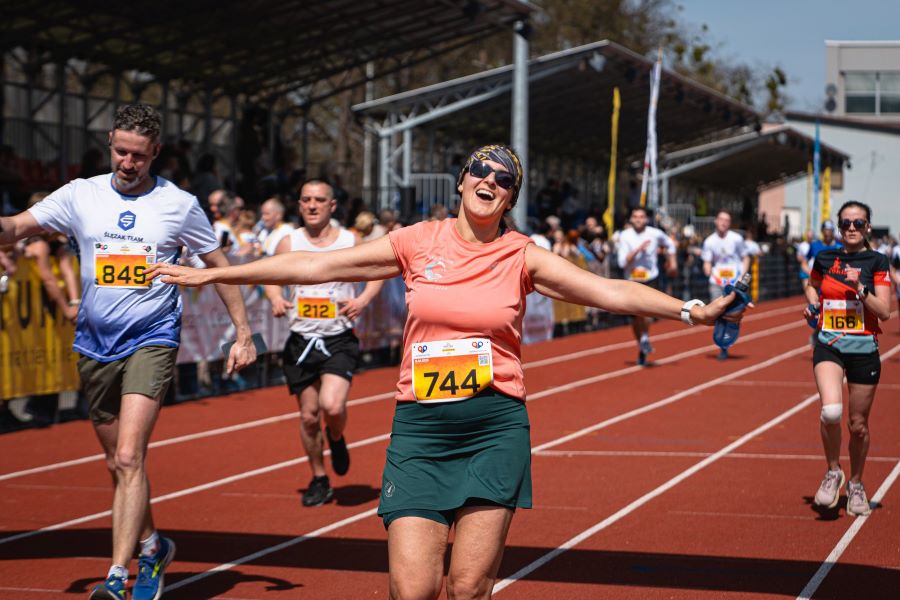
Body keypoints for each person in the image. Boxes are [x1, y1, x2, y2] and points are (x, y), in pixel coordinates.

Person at [147, 144, 745, 600]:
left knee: (465, 589)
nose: (489, 181)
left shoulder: (523, 256)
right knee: (412, 591)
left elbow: (611, 292)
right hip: (422, 431)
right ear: (462, 182)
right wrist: (213, 275)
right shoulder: (415, 242)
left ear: (510, 198)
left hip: (493, 428)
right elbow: (312, 264)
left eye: (503, 179)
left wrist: (693, 310)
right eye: (480, 172)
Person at [0, 104, 258, 600]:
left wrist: (243, 332)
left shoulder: (178, 204)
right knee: (118, 465)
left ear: (155, 153)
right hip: (95, 342)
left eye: (138, 156)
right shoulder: (81, 194)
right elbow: (15, 228)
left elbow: (217, 264)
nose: (127, 162)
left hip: (152, 336)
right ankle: (153, 544)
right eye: (120, 151)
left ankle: (119, 577)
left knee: (128, 454)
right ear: (110, 145)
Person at [264, 180, 384, 507]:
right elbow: (270, 277)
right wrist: (276, 299)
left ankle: (336, 435)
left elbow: (376, 271)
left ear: (332, 206)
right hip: (301, 338)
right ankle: (319, 477)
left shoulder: (349, 240)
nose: (312, 205)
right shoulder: (289, 242)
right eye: (306, 200)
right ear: (299, 205)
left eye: (319, 200)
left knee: (332, 406)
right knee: (307, 415)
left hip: (338, 337)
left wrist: (363, 299)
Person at [803, 201, 891, 517]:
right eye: (845, 223)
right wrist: (813, 305)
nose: (851, 228)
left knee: (858, 426)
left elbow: (885, 311)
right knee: (830, 411)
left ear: (868, 227)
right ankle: (832, 471)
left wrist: (859, 287)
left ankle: (855, 482)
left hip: (864, 350)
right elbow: (811, 286)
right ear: (839, 227)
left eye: (858, 223)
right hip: (829, 344)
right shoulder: (826, 258)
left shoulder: (877, 261)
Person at [616, 206, 678, 366]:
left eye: (641, 216)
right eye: (635, 216)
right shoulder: (625, 236)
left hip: (650, 278)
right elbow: (622, 262)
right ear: (631, 218)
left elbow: (671, 245)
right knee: (635, 317)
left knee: (647, 312)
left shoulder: (655, 233)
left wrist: (672, 262)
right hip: (631, 280)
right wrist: (637, 250)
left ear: (647, 219)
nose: (638, 219)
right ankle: (642, 342)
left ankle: (644, 336)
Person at [701, 210, 751, 359]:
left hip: (734, 281)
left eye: (726, 220)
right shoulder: (709, 241)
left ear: (730, 223)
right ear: (716, 221)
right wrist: (707, 269)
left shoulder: (736, 239)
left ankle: (728, 336)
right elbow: (707, 261)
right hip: (716, 280)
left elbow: (745, 257)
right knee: (717, 311)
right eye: (721, 219)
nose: (723, 222)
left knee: (731, 312)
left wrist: (743, 275)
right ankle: (722, 344)